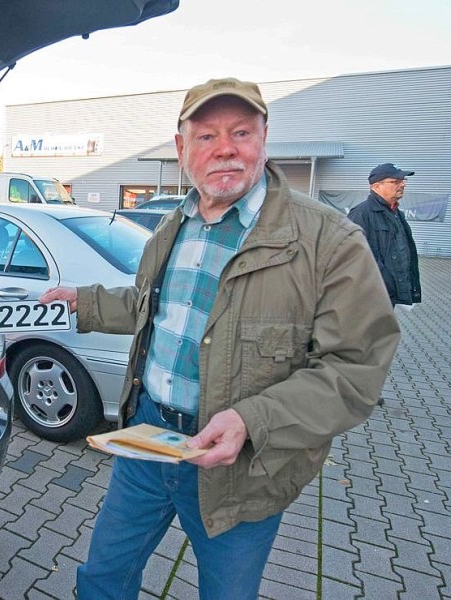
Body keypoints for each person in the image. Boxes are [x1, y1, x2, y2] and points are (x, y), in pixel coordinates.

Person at [39, 77, 401, 600]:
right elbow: (153, 309)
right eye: (206, 136)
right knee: (102, 578)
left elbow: (356, 369)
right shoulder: (171, 228)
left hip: (243, 467)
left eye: (240, 132)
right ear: (182, 149)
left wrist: (251, 420)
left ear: (264, 139)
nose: (225, 148)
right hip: (147, 439)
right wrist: (83, 301)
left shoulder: (330, 239)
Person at [347, 163, 422, 307]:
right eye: (395, 182)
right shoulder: (361, 214)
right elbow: (352, 255)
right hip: (370, 294)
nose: (402, 185)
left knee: (382, 329)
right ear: (376, 187)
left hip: (388, 293)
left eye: (403, 181)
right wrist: (384, 278)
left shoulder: (396, 214)